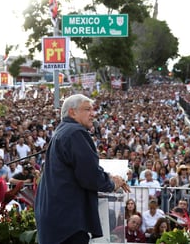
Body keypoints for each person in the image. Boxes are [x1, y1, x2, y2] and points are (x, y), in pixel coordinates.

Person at [35, 94, 129, 244]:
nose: (93, 114)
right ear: (72, 112)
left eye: (93, 109)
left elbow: (77, 170)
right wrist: (111, 184)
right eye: (87, 109)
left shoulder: (63, 131)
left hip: (56, 218)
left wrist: (108, 176)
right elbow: (89, 176)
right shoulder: (75, 133)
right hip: (68, 221)